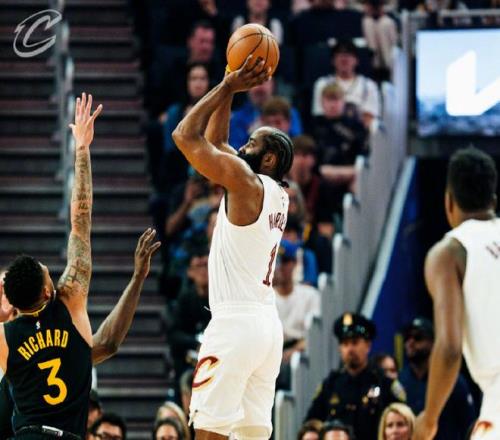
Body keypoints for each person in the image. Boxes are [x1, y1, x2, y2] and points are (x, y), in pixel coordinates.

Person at [172, 55, 294, 439]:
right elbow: (218, 143)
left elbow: (185, 136)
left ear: (269, 158)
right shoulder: (276, 193)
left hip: (235, 324)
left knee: (209, 431)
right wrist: (230, 82)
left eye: (252, 143)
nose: (242, 146)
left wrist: (226, 87)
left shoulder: (245, 182)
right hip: (266, 328)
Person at [0, 93, 101, 439]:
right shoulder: (70, 302)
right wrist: (82, 149)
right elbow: (81, 223)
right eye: (49, 274)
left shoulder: (5, 337)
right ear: (47, 291)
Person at [0, 228, 161, 438]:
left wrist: (137, 279)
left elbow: (107, 343)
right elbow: (108, 343)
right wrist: (137, 278)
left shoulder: (51, 343)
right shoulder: (25, 340)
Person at [413, 148, 500, 440]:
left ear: (448, 201)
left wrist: (429, 418)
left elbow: (450, 347)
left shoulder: (449, 252)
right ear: (493, 201)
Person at [305, 312, 404, 440]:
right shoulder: (331, 385)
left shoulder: (384, 383)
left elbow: (403, 423)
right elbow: (311, 424)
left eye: (355, 342)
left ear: (368, 345)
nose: (350, 349)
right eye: (345, 344)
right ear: (340, 349)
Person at [400, 317, 475, 439]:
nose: (411, 342)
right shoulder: (400, 381)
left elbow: (468, 424)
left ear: (433, 343)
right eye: (407, 338)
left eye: (418, 337)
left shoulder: (452, 380)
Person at [311, 40, 380, 129]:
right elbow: (319, 115)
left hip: (359, 131)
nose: (344, 58)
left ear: (357, 60)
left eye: (349, 55)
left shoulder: (368, 85)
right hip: (330, 130)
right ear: (332, 60)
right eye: (339, 55)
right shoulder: (322, 84)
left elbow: (369, 118)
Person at [229, 77, 303, 149]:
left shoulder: (289, 112)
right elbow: (234, 149)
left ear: (273, 85)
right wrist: (252, 136)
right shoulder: (237, 118)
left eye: (264, 82)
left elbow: (297, 143)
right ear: (246, 88)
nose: (260, 87)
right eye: (255, 83)